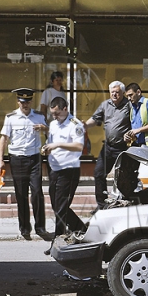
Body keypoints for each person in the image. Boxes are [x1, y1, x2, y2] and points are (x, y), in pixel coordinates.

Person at [0, 88, 50, 241]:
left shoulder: (39, 116)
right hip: (17, 159)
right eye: (22, 101)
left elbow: (50, 134)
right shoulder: (11, 117)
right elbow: (4, 139)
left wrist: (44, 128)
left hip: (34, 158)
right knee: (21, 194)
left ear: (31, 101)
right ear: (18, 101)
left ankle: (40, 226)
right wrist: (0, 160)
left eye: (27, 101)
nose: (25, 104)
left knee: (37, 193)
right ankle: (25, 227)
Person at [43, 97, 86, 248]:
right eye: (52, 114)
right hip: (54, 169)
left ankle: (58, 241)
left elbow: (79, 146)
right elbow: (52, 142)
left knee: (61, 207)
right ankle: (81, 229)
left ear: (65, 109)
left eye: (57, 113)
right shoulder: (53, 124)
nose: (54, 116)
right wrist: (47, 148)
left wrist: (58, 144)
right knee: (56, 205)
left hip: (69, 170)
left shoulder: (75, 124)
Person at [83, 81, 131, 210]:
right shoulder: (105, 105)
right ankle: (102, 204)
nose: (114, 94)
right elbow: (95, 118)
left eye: (117, 92)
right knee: (99, 173)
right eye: (112, 92)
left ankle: (126, 203)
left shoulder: (129, 105)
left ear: (122, 93)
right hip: (108, 147)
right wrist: (85, 126)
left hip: (124, 148)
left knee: (124, 177)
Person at [123, 82, 148, 147]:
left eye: (131, 95)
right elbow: (134, 129)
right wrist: (128, 135)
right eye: (127, 96)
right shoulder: (133, 108)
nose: (129, 98)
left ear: (138, 92)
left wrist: (138, 130)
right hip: (138, 146)